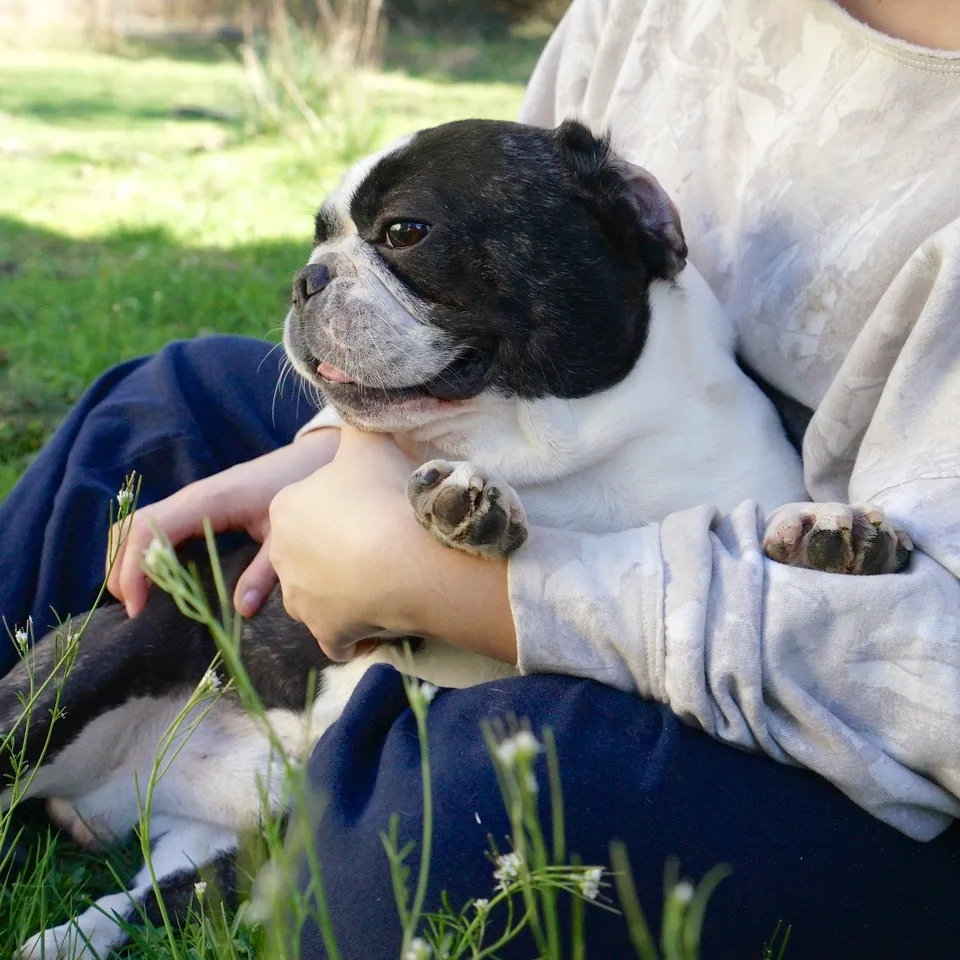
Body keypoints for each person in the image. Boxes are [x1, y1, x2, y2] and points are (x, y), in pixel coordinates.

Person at [2, 0, 959, 956]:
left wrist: (448, 587)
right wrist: (331, 451)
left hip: (808, 677)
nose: (320, 281)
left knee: (469, 826)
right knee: (164, 402)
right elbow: (500, 195)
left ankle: (225, 859)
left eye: (403, 234)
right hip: (520, 437)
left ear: (642, 223)